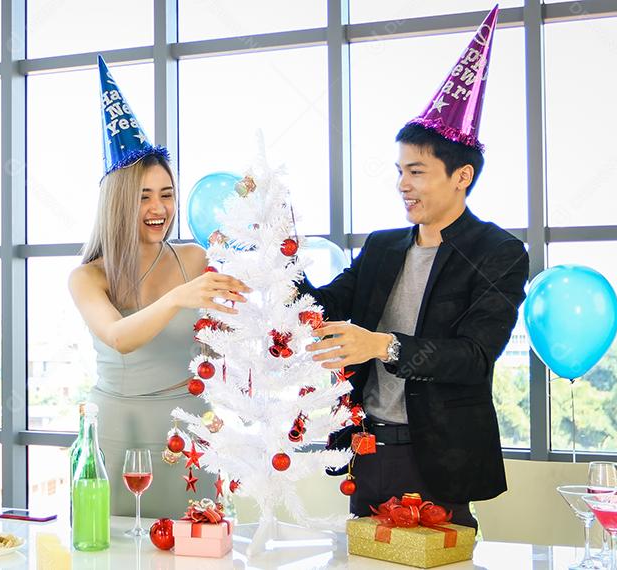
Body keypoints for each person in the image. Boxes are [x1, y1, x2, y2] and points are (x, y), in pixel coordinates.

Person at [299, 6, 525, 529]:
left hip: (441, 456)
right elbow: (323, 307)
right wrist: (279, 260)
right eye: (400, 170)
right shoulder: (381, 248)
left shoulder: (499, 253)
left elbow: (473, 356)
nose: (403, 184)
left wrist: (381, 344)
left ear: (461, 175)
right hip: (368, 446)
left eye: (417, 171)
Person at [69, 56, 250, 518]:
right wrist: (180, 297)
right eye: (143, 195)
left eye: (166, 194)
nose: (159, 207)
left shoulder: (194, 258)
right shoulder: (88, 277)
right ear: (117, 202)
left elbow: (223, 342)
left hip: (189, 431)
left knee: (195, 547)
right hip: (115, 431)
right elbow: (119, 337)